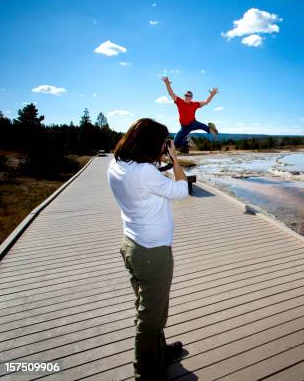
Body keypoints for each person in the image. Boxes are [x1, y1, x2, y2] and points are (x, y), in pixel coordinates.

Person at [107, 118, 189, 381]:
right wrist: (175, 159)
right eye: (163, 142)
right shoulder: (145, 172)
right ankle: (145, 371)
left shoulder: (117, 163)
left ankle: (159, 352)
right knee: (151, 316)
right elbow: (182, 189)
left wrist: (161, 158)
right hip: (152, 252)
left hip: (131, 245)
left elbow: (150, 181)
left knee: (146, 305)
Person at [161, 76, 219, 153]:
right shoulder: (179, 102)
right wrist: (167, 83)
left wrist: (212, 94)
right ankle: (187, 142)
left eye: (190, 96)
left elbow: (206, 102)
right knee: (176, 143)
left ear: (192, 98)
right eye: (186, 95)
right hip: (184, 127)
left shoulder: (194, 104)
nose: (188, 97)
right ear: (184, 96)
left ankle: (211, 130)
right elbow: (171, 93)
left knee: (202, 126)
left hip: (193, 123)